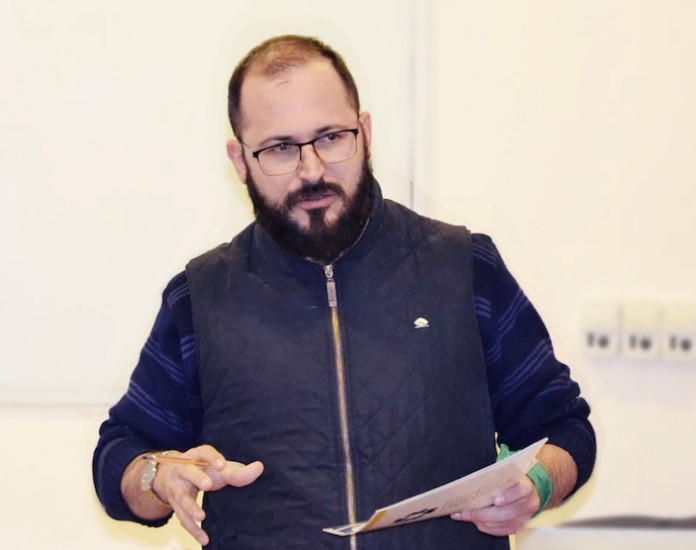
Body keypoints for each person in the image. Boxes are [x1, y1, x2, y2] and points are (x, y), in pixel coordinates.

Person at [92, 34, 596, 549]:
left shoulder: (466, 267)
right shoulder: (198, 299)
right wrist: (160, 476)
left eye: (331, 137)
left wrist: (535, 485)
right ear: (240, 160)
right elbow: (119, 459)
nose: (312, 170)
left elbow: (565, 429)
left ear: (366, 133)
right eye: (280, 148)